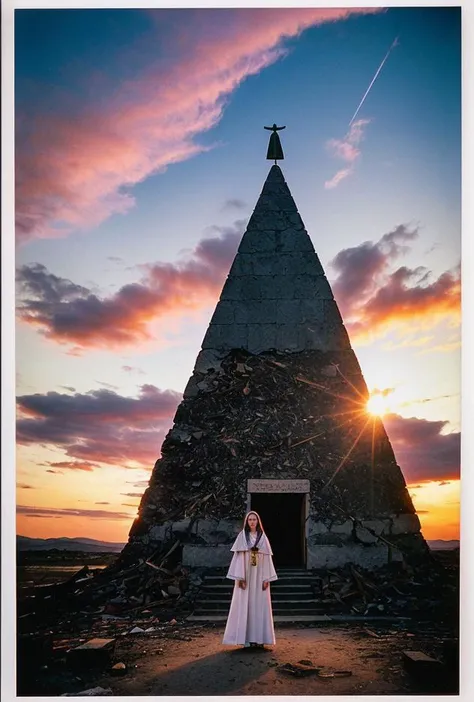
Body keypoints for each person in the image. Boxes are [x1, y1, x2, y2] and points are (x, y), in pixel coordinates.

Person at [222, 511, 278, 648]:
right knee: (244, 605)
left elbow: (266, 559)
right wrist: (240, 577)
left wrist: (266, 579)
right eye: (250, 519)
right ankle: (245, 639)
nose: (252, 522)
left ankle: (259, 639)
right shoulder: (242, 537)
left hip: (259, 576)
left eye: (254, 519)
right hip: (246, 575)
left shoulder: (262, 537)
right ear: (247, 522)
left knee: (259, 606)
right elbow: (239, 558)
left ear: (258, 521)